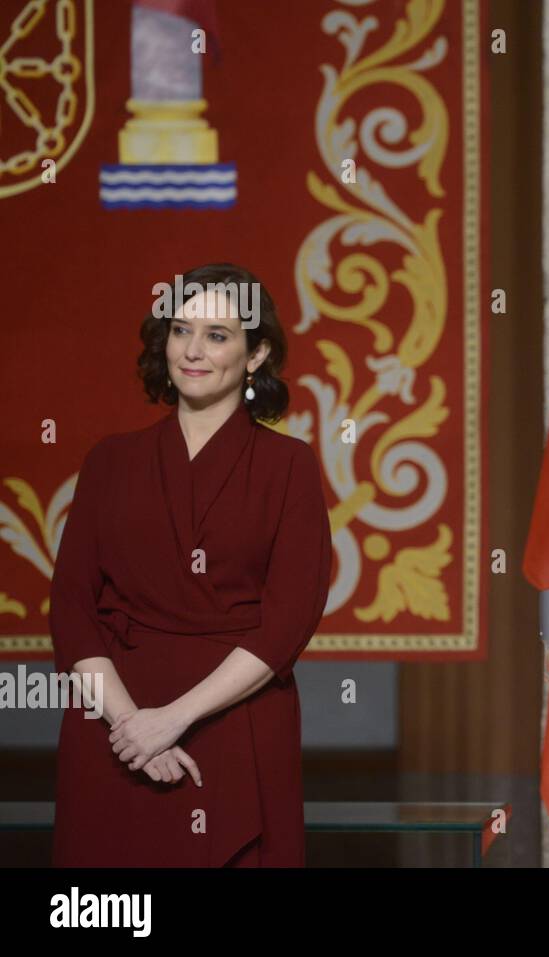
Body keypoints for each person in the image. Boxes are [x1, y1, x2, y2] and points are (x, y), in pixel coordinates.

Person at [50, 262, 333, 866]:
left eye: (217, 335)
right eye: (181, 331)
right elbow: (71, 607)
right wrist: (133, 727)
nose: (193, 351)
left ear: (256, 355)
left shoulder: (290, 467)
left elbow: (286, 623)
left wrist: (174, 719)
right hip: (112, 727)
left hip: (234, 724)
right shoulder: (110, 461)